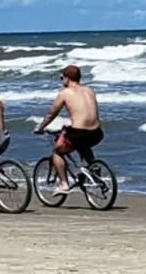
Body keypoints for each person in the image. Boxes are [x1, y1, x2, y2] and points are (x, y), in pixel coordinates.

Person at [33, 64, 104, 195]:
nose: (62, 81)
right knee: (84, 146)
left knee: (57, 151)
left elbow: (51, 114)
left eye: (62, 78)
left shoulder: (65, 93)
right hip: (97, 133)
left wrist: (40, 127)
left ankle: (63, 184)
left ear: (67, 78)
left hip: (79, 133)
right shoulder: (90, 90)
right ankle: (94, 171)